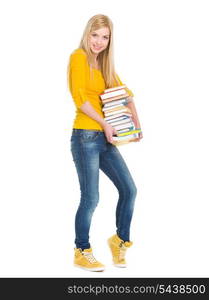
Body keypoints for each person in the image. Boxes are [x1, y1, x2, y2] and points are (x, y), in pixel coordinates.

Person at [67, 14, 143, 272]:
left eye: (105, 37)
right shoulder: (78, 58)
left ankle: (119, 241)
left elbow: (125, 94)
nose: (99, 42)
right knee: (91, 197)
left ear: (110, 40)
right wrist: (105, 123)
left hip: (105, 138)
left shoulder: (105, 66)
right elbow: (80, 98)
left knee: (129, 189)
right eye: (95, 35)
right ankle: (82, 250)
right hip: (85, 136)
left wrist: (136, 123)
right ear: (87, 34)